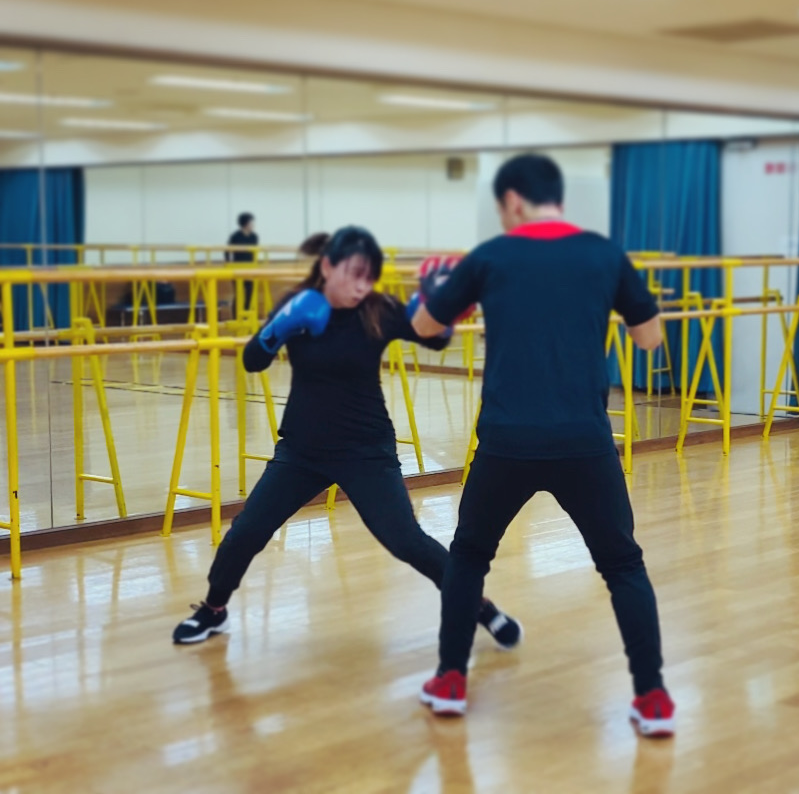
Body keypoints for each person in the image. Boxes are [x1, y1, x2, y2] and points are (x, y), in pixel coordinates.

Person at [411, 153, 675, 737]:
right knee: (623, 565)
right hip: (585, 440)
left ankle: (450, 681)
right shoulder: (604, 253)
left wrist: (434, 291)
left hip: (507, 441)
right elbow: (650, 339)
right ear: (559, 197)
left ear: (512, 201)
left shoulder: (491, 256)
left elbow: (426, 328)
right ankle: (653, 698)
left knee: (469, 557)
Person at [173, 226, 522, 656]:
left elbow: (433, 338)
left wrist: (441, 306)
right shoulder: (297, 304)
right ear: (327, 266)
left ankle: (478, 606)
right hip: (302, 451)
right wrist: (281, 327)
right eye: (354, 275)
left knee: (407, 541)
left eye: (369, 277)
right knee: (246, 532)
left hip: (366, 451)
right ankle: (214, 610)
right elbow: (252, 361)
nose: (362, 287)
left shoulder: (378, 310)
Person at [226, 212, 259, 314]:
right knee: (239, 294)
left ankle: (246, 315)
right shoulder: (235, 236)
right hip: (238, 269)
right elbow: (227, 251)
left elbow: (255, 252)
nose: (253, 225)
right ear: (246, 224)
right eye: (251, 223)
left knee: (249, 293)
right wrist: (229, 265)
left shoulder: (254, 236)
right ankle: (236, 316)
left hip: (250, 269)